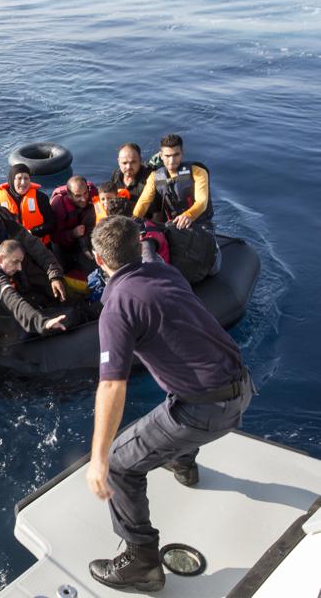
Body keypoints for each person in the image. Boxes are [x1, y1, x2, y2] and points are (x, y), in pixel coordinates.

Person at [85, 216, 253, 591]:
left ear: (98, 260)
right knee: (173, 398)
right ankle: (184, 464)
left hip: (206, 409)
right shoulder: (164, 271)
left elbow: (112, 387)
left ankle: (141, 563)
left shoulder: (117, 305)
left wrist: (98, 459)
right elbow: (147, 250)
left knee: (119, 466)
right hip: (240, 387)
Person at [0, 239, 68, 345]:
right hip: (4, 339)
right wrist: (44, 323)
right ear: (2, 258)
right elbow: (17, 305)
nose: (19, 268)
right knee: (65, 315)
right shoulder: (0, 283)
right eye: (16, 262)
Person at [133, 134, 214, 231]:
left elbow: (202, 202)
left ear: (182, 153)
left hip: (200, 223)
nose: (171, 161)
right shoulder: (155, 176)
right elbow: (143, 202)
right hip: (173, 224)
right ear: (161, 156)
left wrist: (188, 215)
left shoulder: (198, 172)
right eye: (167, 156)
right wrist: (134, 220)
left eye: (176, 155)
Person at [0, 163, 54, 245]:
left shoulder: (40, 197)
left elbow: (52, 223)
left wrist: (32, 232)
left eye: (26, 178)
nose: (23, 182)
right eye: (19, 178)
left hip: (38, 245)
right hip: (12, 247)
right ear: (12, 180)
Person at [50, 175, 97, 274]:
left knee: (93, 266)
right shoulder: (58, 205)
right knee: (63, 268)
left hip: (85, 237)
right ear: (69, 195)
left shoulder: (93, 193)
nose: (84, 199)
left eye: (85, 193)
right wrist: (73, 233)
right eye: (78, 196)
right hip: (63, 242)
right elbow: (55, 237)